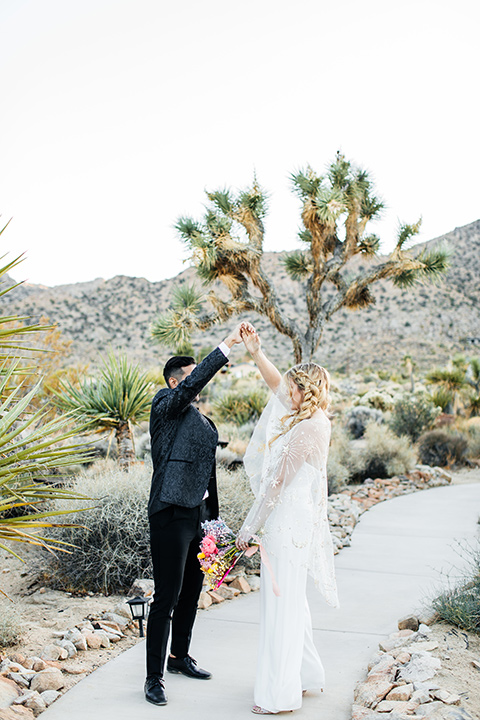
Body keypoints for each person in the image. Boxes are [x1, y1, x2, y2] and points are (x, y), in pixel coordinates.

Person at [145, 322, 251, 706]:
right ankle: (153, 677)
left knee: (192, 592)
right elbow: (192, 386)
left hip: (202, 515)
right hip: (170, 512)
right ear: (176, 383)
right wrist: (225, 347)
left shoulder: (203, 420)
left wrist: (214, 518)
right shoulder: (164, 406)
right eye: (190, 379)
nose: (196, 385)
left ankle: (179, 657)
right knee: (166, 597)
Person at [236, 326, 339, 715]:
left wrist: (249, 527)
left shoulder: (308, 427)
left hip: (286, 525)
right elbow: (277, 384)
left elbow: (277, 483)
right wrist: (257, 353)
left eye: (294, 389)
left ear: (306, 390)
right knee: (293, 602)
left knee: (280, 607)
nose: (286, 394)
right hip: (296, 524)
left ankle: (279, 695)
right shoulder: (313, 419)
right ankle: (307, 674)